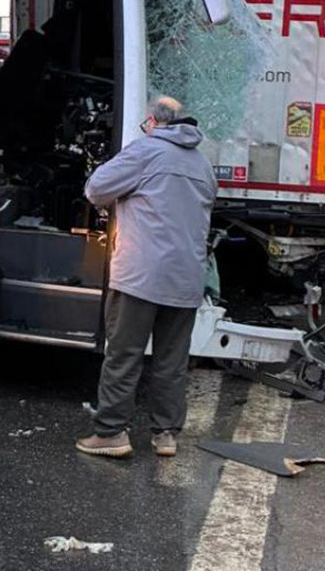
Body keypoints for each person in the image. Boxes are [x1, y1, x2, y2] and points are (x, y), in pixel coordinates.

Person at [76, 95, 217, 459]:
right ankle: (166, 435)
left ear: (154, 123)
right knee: (171, 361)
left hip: (141, 274)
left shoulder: (146, 150)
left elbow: (95, 189)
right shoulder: (203, 164)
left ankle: (111, 433)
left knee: (124, 354)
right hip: (186, 277)